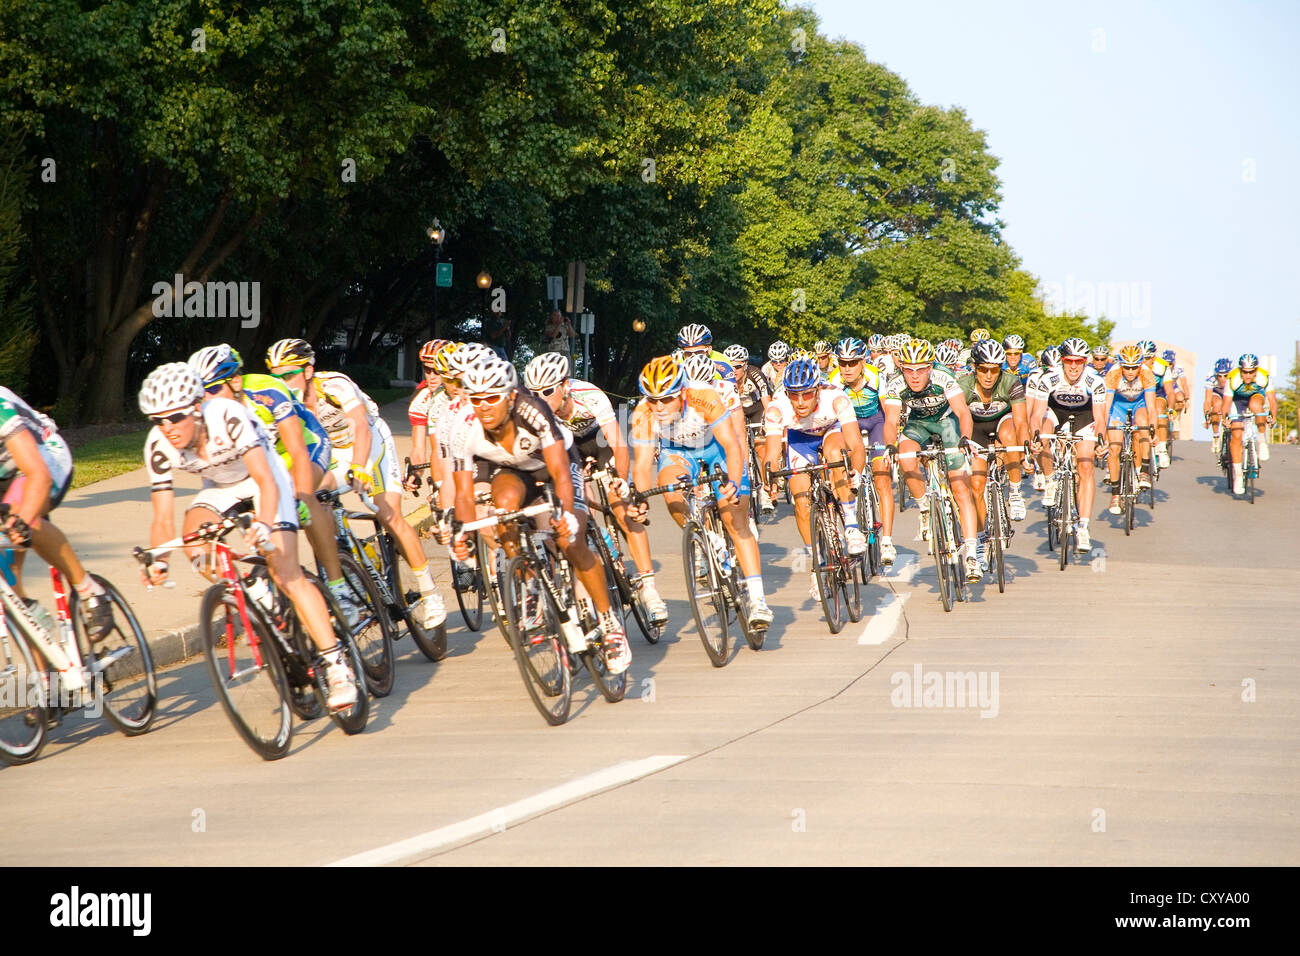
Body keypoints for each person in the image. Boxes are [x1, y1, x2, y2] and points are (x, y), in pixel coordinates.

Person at [137, 363, 358, 710]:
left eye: (175, 417)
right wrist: (159, 558)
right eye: (157, 420)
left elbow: (266, 480)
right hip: (220, 488)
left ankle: (336, 666)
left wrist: (265, 525)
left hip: (265, 479)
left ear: (196, 407)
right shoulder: (159, 446)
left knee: (287, 573)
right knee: (192, 537)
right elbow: (163, 517)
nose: (168, 428)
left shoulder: (227, 415)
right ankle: (250, 590)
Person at [447, 356, 632, 673]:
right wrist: (461, 533)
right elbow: (463, 493)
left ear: (511, 395)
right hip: (509, 470)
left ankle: (609, 622)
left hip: (555, 465)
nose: (484, 407)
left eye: (492, 397)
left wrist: (566, 515)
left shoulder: (534, 411)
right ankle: (531, 590)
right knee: (503, 510)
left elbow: (561, 474)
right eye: (476, 399)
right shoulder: (462, 427)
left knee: (570, 540)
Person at [265, 338, 447, 631]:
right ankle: (351, 568)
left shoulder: (335, 385)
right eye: (277, 376)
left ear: (308, 370)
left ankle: (431, 594)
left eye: (289, 374)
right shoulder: (283, 401)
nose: (283, 381)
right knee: (313, 500)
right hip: (333, 450)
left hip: (370, 440)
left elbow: (360, 426)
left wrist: (360, 468)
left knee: (386, 513)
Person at [188, 344, 359, 625]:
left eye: (214, 389)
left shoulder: (266, 391)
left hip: (303, 446)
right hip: (260, 464)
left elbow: (298, 453)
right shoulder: (200, 414)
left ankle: (339, 587)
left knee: (303, 496)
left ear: (235, 381)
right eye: (200, 393)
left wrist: (299, 499)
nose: (207, 399)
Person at [523, 351, 668, 624]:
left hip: (598, 441)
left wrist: (622, 480)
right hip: (568, 448)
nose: (539, 398)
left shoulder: (589, 394)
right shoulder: (534, 411)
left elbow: (618, 444)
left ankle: (649, 589)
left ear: (565, 386)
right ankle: (598, 547)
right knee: (578, 503)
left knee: (620, 504)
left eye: (547, 391)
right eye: (533, 393)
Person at [629, 355, 773, 630]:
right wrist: (640, 498)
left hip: (715, 448)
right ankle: (707, 539)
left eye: (666, 399)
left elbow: (732, 445)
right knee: (672, 496)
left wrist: (732, 481)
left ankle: (757, 600)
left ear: (682, 392)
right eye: (652, 399)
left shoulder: (704, 397)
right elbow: (644, 464)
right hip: (679, 454)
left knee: (735, 520)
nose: (658, 407)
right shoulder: (642, 413)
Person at [0, 385, 113, 693]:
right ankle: (45, 682)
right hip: (4, 478)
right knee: (10, 589)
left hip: (43, 458)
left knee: (24, 517)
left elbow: (37, 475)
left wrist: (22, 520)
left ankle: (90, 591)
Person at [881, 340, 983, 581]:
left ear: (930, 367)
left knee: (959, 487)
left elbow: (962, 412)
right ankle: (925, 507)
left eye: (921, 369)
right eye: (909, 370)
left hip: (947, 422)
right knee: (906, 458)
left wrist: (966, 438)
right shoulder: (895, 384)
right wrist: (889, 445)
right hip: (918, 424)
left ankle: (971, 553)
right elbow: (891, 421)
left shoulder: (943, 376)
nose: (914, 376)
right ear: (901, 368)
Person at [1026, 338, 1107, 551]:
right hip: (1055, 413)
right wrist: (1035, 438)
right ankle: (1050, 478)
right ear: (1062, 361)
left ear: (1085, 362)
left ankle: (1083, 527)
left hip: (1084, 416)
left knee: (1086, 466)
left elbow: (1099, 417)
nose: (1073, 366)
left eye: (1078, 361)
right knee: (1043, 431)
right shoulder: (1049, 379)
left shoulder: (1095, 381)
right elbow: (1036, 413)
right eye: (1069, 361)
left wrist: (1101, 439)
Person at [835, 338, 896, 564]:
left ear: (863, 362)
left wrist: (890, 443)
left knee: (882, 478)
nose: (847, 368)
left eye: (853, 363)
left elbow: (889, 414)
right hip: (848, 423)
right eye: (843, 363)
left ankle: (887, 542)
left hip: (876, 421)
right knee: (842, 471)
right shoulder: (834, 381)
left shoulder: (876, 376)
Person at [1100, 345, 1158, 510]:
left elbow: (1151, 407)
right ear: (1121, 365)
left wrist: (1152, 429)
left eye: (1134, 367)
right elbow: (1106, 407)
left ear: (1140, 365)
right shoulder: (1113, 374)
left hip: (1139, 404)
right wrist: (1103, 433)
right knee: (1115, 447)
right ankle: (1115, 495)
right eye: (1126, 367)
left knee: (1142, 422)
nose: (1130, 371)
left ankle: (1144, 470)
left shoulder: (1147, 374)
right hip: (1118, 406)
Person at [1218, 353, 1277, 494]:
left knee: (1257, 406)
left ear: (1256, 371)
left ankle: (1262, 442)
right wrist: (1225, 418)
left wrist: (1272, 416)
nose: (1248, 376)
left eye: (1251, 372)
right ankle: (1238, 476)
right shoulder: (1233, 379)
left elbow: (1273, 401)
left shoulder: (1264, 377)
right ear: (1241, 370)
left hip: (1255, 397)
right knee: (1237, 434)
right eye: (1245, 372)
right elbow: (1226, 404)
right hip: (1236, 401)